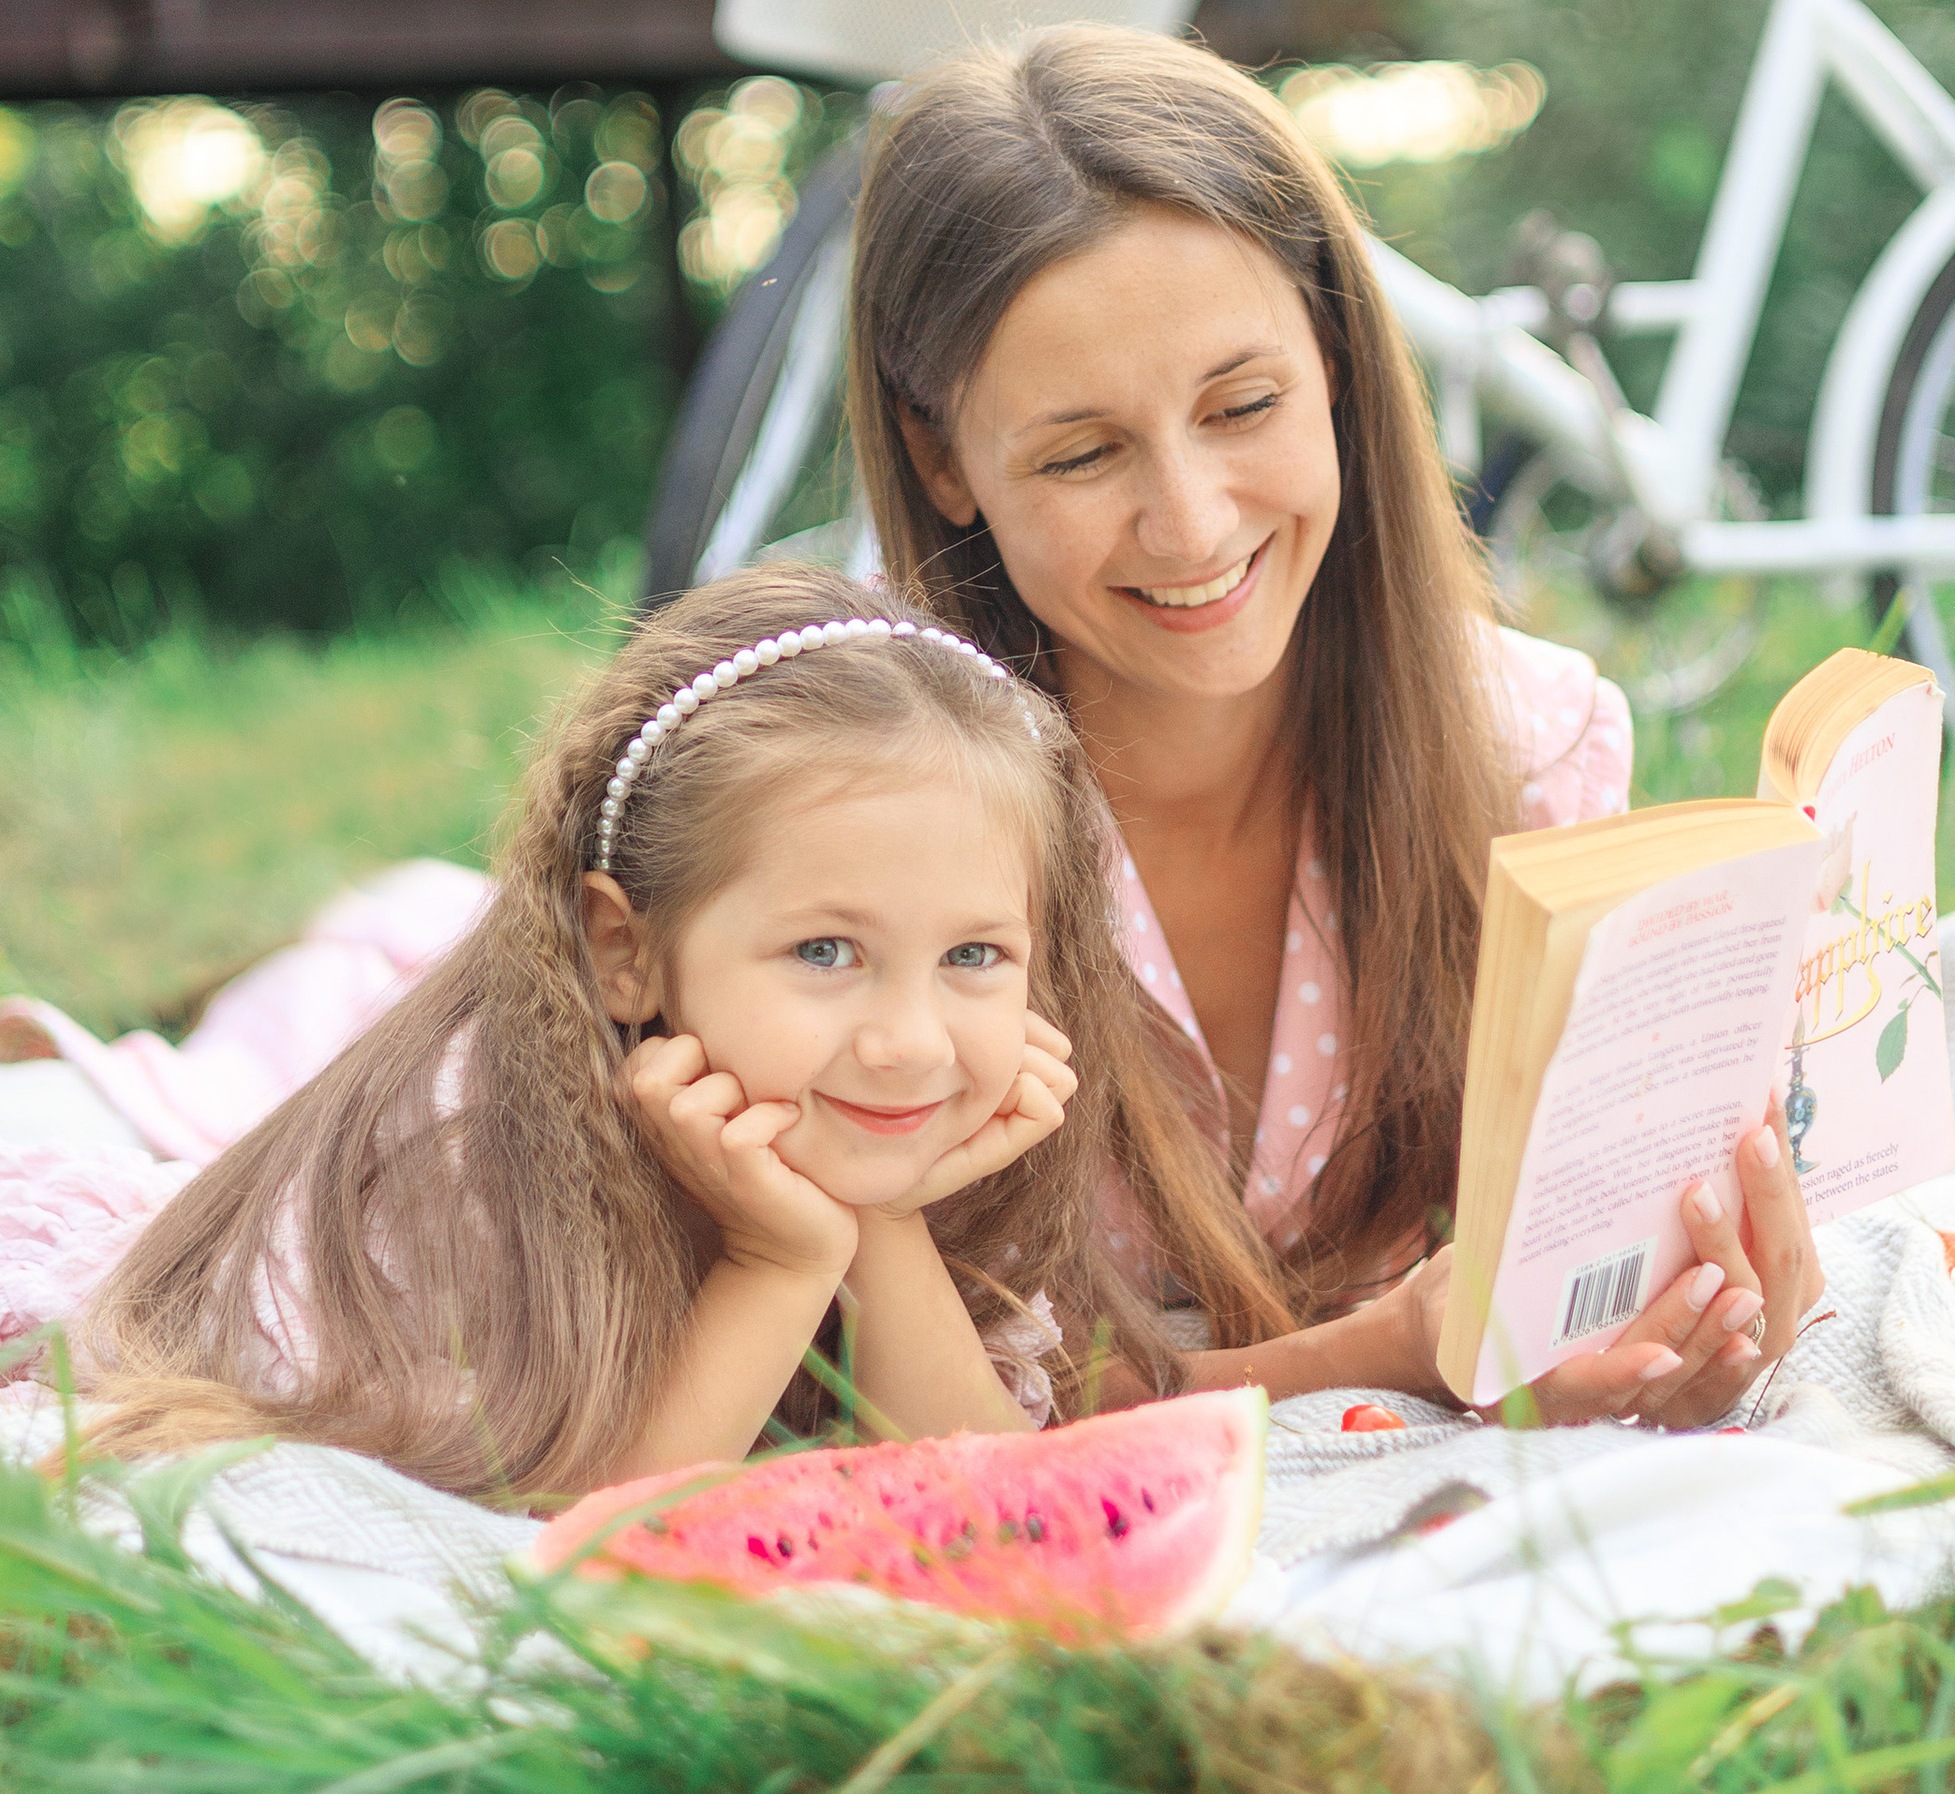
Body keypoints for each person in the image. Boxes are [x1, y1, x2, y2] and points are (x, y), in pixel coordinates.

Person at [845, 24, 1824, 1427]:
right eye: (1082, 452)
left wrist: (1700, 1294)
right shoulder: (853, 815)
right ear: (942, 458)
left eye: (1243, 406)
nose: (1190, 523)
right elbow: (885, 1392)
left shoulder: (1531, 752)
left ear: (1341, 362)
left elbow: (1575, 1253)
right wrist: (1374, 1353)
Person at [79, 566, 1193, 1500]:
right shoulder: (464, 1176)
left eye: (973, 957)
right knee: (325, 988)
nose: (910, 1044)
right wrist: (782, 1259)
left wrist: (883, 1224)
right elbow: (590, 1531)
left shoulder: (919, 1154)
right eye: (823, 953)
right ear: (627, 952)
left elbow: (993, 1496)